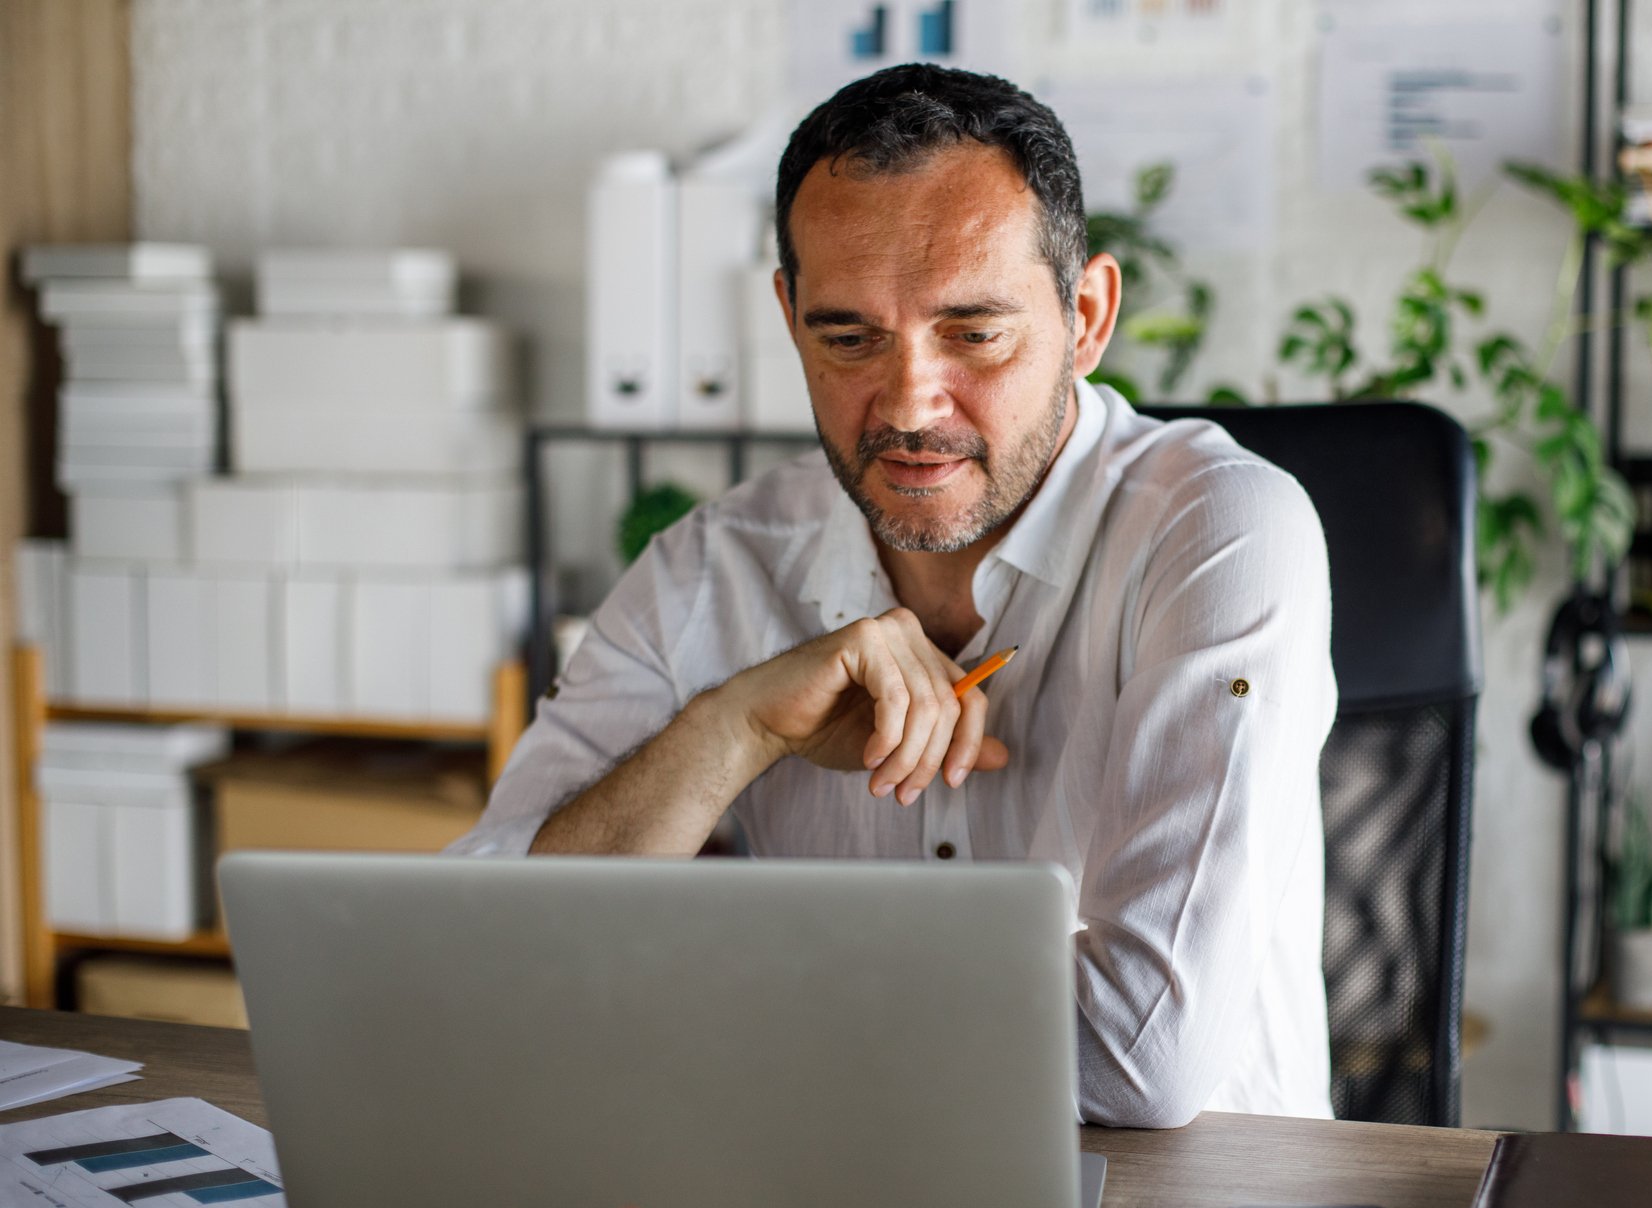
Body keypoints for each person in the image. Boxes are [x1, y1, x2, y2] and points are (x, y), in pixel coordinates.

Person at [452, 64, 1336, 1128]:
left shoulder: (1222, 530)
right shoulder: (711, 567)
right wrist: (732, 731)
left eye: (973, 332)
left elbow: (1142, 1054)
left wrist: (712, 992)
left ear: (1087, 316)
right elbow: (484, 956)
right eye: (849, 338)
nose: (911, 403)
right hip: (832, 1192)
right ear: (789, 318)